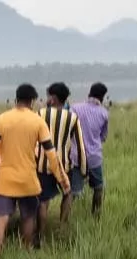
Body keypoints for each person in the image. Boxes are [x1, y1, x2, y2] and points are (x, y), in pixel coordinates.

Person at [0, 83, 70, 256]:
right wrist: (63, 180)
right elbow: (51, 154)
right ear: (31, 101)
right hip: (28, 180)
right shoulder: (37, 121)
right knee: (29, 218)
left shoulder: (2, 119)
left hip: (5, 180)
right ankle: (27, 252)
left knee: (2, 220)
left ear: (16, 99)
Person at [36, 82, 87, 247]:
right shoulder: (72, 117)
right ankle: (63, 227)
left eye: (48, 95)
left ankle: (41, 236)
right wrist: (83, 168)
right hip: (63, 166)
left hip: (42, 165)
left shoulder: (40, 114)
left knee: (43, 201)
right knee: (67, 194)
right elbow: (79, 145)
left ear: (53, 97)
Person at [70, 82, 109, 217]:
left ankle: (64, 219)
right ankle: (96, 216)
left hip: (75, 157)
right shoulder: (104, 113)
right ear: (103, 97)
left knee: (72, 192)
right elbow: (103, 137)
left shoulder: (74, 108)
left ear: (89, 94)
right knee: (98, 188)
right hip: (94, 157)